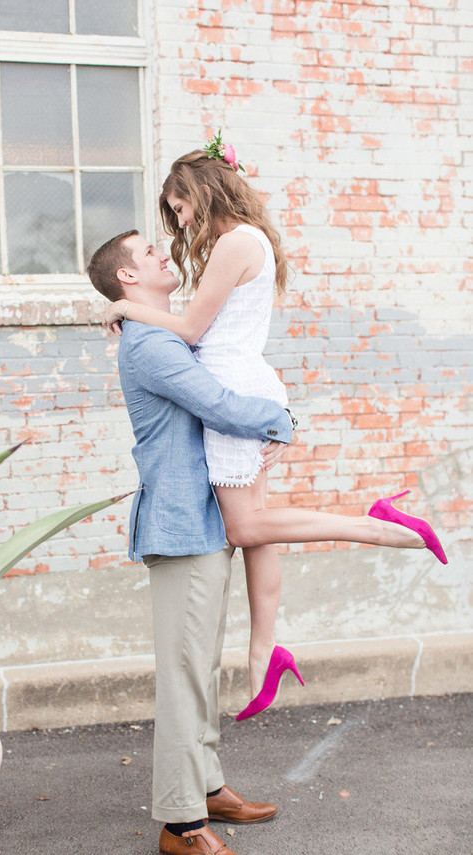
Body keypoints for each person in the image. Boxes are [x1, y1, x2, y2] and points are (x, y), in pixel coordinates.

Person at [102, 138, 448, 722]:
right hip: (245, 384)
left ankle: (376, 526)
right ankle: (265, 653)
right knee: (257, 529)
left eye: (180, 209)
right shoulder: (247, 240)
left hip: (233, 390)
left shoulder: (235, 242)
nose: (179, 224)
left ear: (202, 192)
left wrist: (125, 307)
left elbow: (191, 330)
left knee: (244, 526)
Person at [87, 229, 297, 855]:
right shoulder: (151, 343)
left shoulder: (165, 332)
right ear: (128, 277)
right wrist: (284, 420)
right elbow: (219, 405)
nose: (164, 253)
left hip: (203, 521)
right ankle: (180, 824)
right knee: (184, 676)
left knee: (199, 667)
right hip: (180, 526)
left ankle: (206, 786)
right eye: (148, 252)